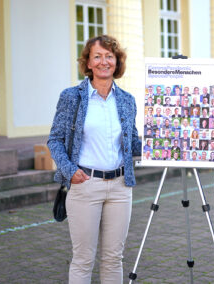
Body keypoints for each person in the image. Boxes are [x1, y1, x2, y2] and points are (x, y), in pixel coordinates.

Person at [48, 35, 142, 283]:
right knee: (83, 258)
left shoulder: (127, 100)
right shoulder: (72, 97)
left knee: (114, 258)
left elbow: (133, 142)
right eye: (97, 56)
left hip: (121, 187)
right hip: (85, 184)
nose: (104, 61)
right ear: (88, 62)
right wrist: (69, 170)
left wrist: (164, 142)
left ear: (117, 61)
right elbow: (55, 140)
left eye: (109, 56)